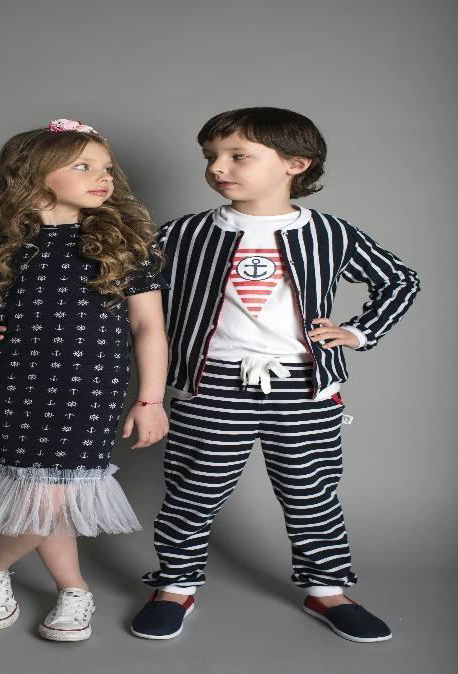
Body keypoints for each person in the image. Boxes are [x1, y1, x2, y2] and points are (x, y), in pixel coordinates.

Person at [130, 107, 420, 642]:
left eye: (238, 155)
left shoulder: (330, 233)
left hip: (304, 386)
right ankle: (175, 585)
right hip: (210, 383)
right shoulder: (185, 233)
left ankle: (327, 589)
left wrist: (358, 332)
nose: (219, 167)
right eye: (211, 157)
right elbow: (130, 290)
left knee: (311, 493)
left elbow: (399, 281)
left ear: (295, 163)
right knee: (193, 489)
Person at [0, 118, 170, 642]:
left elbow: (148, 326)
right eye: (83, 166)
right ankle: (73, 587)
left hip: (91, 386)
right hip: (13, 383)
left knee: (56, 492)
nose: (102, 177)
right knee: (40, 488)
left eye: (106, 168)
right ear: (34, 175)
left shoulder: (123, 244)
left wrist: (150, 400)